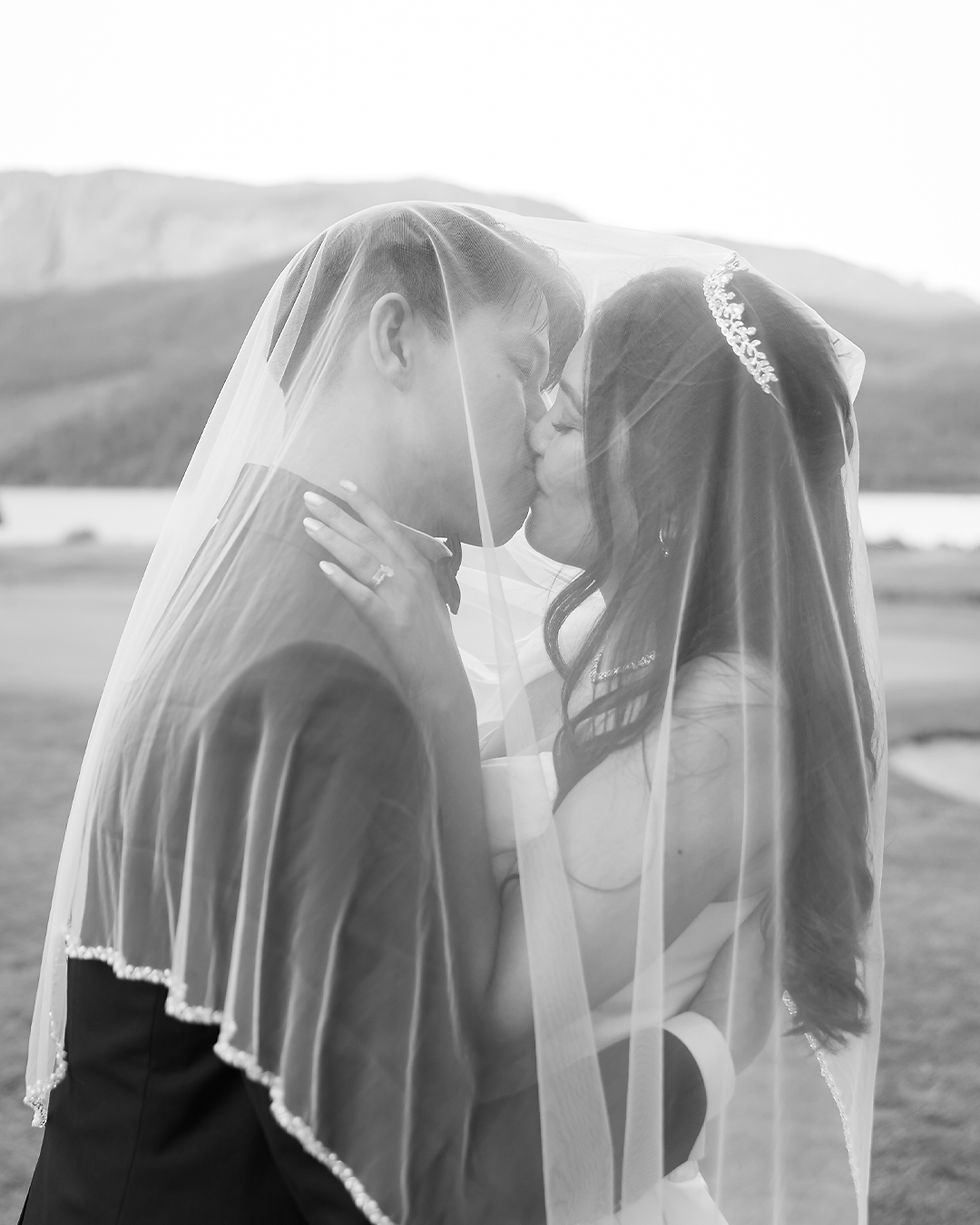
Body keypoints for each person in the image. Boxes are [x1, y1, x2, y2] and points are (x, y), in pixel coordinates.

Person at [20, 206, 754, 1225]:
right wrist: (700, 1052)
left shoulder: (247, 581)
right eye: (522, 365)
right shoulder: (330, 673)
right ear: (396, 337)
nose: (543, 410)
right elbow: (399, 1186)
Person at [300, 253, 886, 1223]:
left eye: (568, 420)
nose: (532, 430)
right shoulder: (606, 650)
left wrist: (436, 692)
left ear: (665, 471)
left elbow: (494, 1013)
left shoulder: (723, 723)